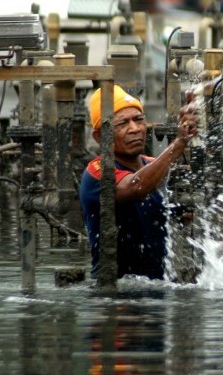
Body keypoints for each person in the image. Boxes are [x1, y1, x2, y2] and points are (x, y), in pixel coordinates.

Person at [80, 85, 197, 280]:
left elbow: (181, 208)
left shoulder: (153, 166)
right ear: (100, 136)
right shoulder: (96, 172)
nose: (134, 129)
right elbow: (136, 187)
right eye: (122, 123)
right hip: (115, 293)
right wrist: (179, 144)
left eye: (138, 120)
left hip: (158, 288)